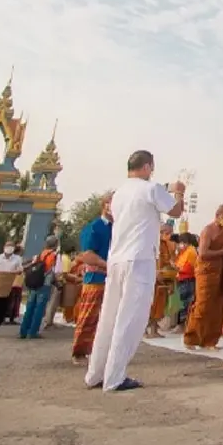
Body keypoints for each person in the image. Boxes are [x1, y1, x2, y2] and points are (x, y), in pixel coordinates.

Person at [84, 150, 185, 392]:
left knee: (109, 318)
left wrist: (166, 187)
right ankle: (114, 377)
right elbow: (175, 211)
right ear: (148, 166)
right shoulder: (150, 188)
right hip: (139, 259)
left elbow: (147, 197)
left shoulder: (119, 193)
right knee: (131, 318)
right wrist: (179, 192)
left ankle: (95, 374)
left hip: (116, 259)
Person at [185, 204, 223, 350]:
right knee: (203, 305)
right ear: (217, 215)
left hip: (221, 271)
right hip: (206, 272)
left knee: (218, 307)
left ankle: (210, 341)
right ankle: (191, 338)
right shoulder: (208, 230)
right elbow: (203, 253)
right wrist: (222, 252)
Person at [72, 192, 113, 363]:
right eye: (111, 203)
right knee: (89, 317)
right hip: (96, 278)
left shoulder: (118, 228)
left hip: (114, 279)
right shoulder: (94, 227)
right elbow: (87, 254)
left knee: (109, 319)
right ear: (104, 205)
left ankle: (102, 353)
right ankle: (80, 352)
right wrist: (108, 266)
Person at [20, 236, 60, 339]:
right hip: (45, 283)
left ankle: (23, 331)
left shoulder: (40, 254)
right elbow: (55, 271)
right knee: (39, 308)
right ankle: (33, 332)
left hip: (34, 282)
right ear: (56, 244)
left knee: (30, 306)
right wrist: (57, 283)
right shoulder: (54, 255)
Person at [148, 223, 179, 337]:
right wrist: (156, 271)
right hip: (153, 278)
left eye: (170, 233)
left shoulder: (167, 245)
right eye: (167, 233)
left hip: (165, 277)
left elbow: (169, 260)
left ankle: (154, 330)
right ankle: (147, 331)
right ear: (161, 232)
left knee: (160, 305)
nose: (169, 236)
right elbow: (151, 260)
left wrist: (173, 265)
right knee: (152, 305)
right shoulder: (153, 244)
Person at [175, 232, 198, 326]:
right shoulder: (184, 252)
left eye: (181, 242)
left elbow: (189, 268)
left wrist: (176, 269)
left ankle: (182, 325)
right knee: (182, 303)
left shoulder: (191, 251)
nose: (180, 245)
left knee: (184, 304)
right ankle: (181, 325)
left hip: (187, 281)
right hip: (182, 280)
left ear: (186, 242)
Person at [5, 246, 26, 325]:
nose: (23, 252)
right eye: (22, 251)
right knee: (12, 301)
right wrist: (32, 263)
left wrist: (31, 262)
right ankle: (7, 317)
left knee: (15, 302)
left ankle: (11, 318)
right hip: (14, 283)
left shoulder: (17, 259)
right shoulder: (15, 259)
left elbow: (23, 265)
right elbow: (21, 268)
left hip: (17, 283)